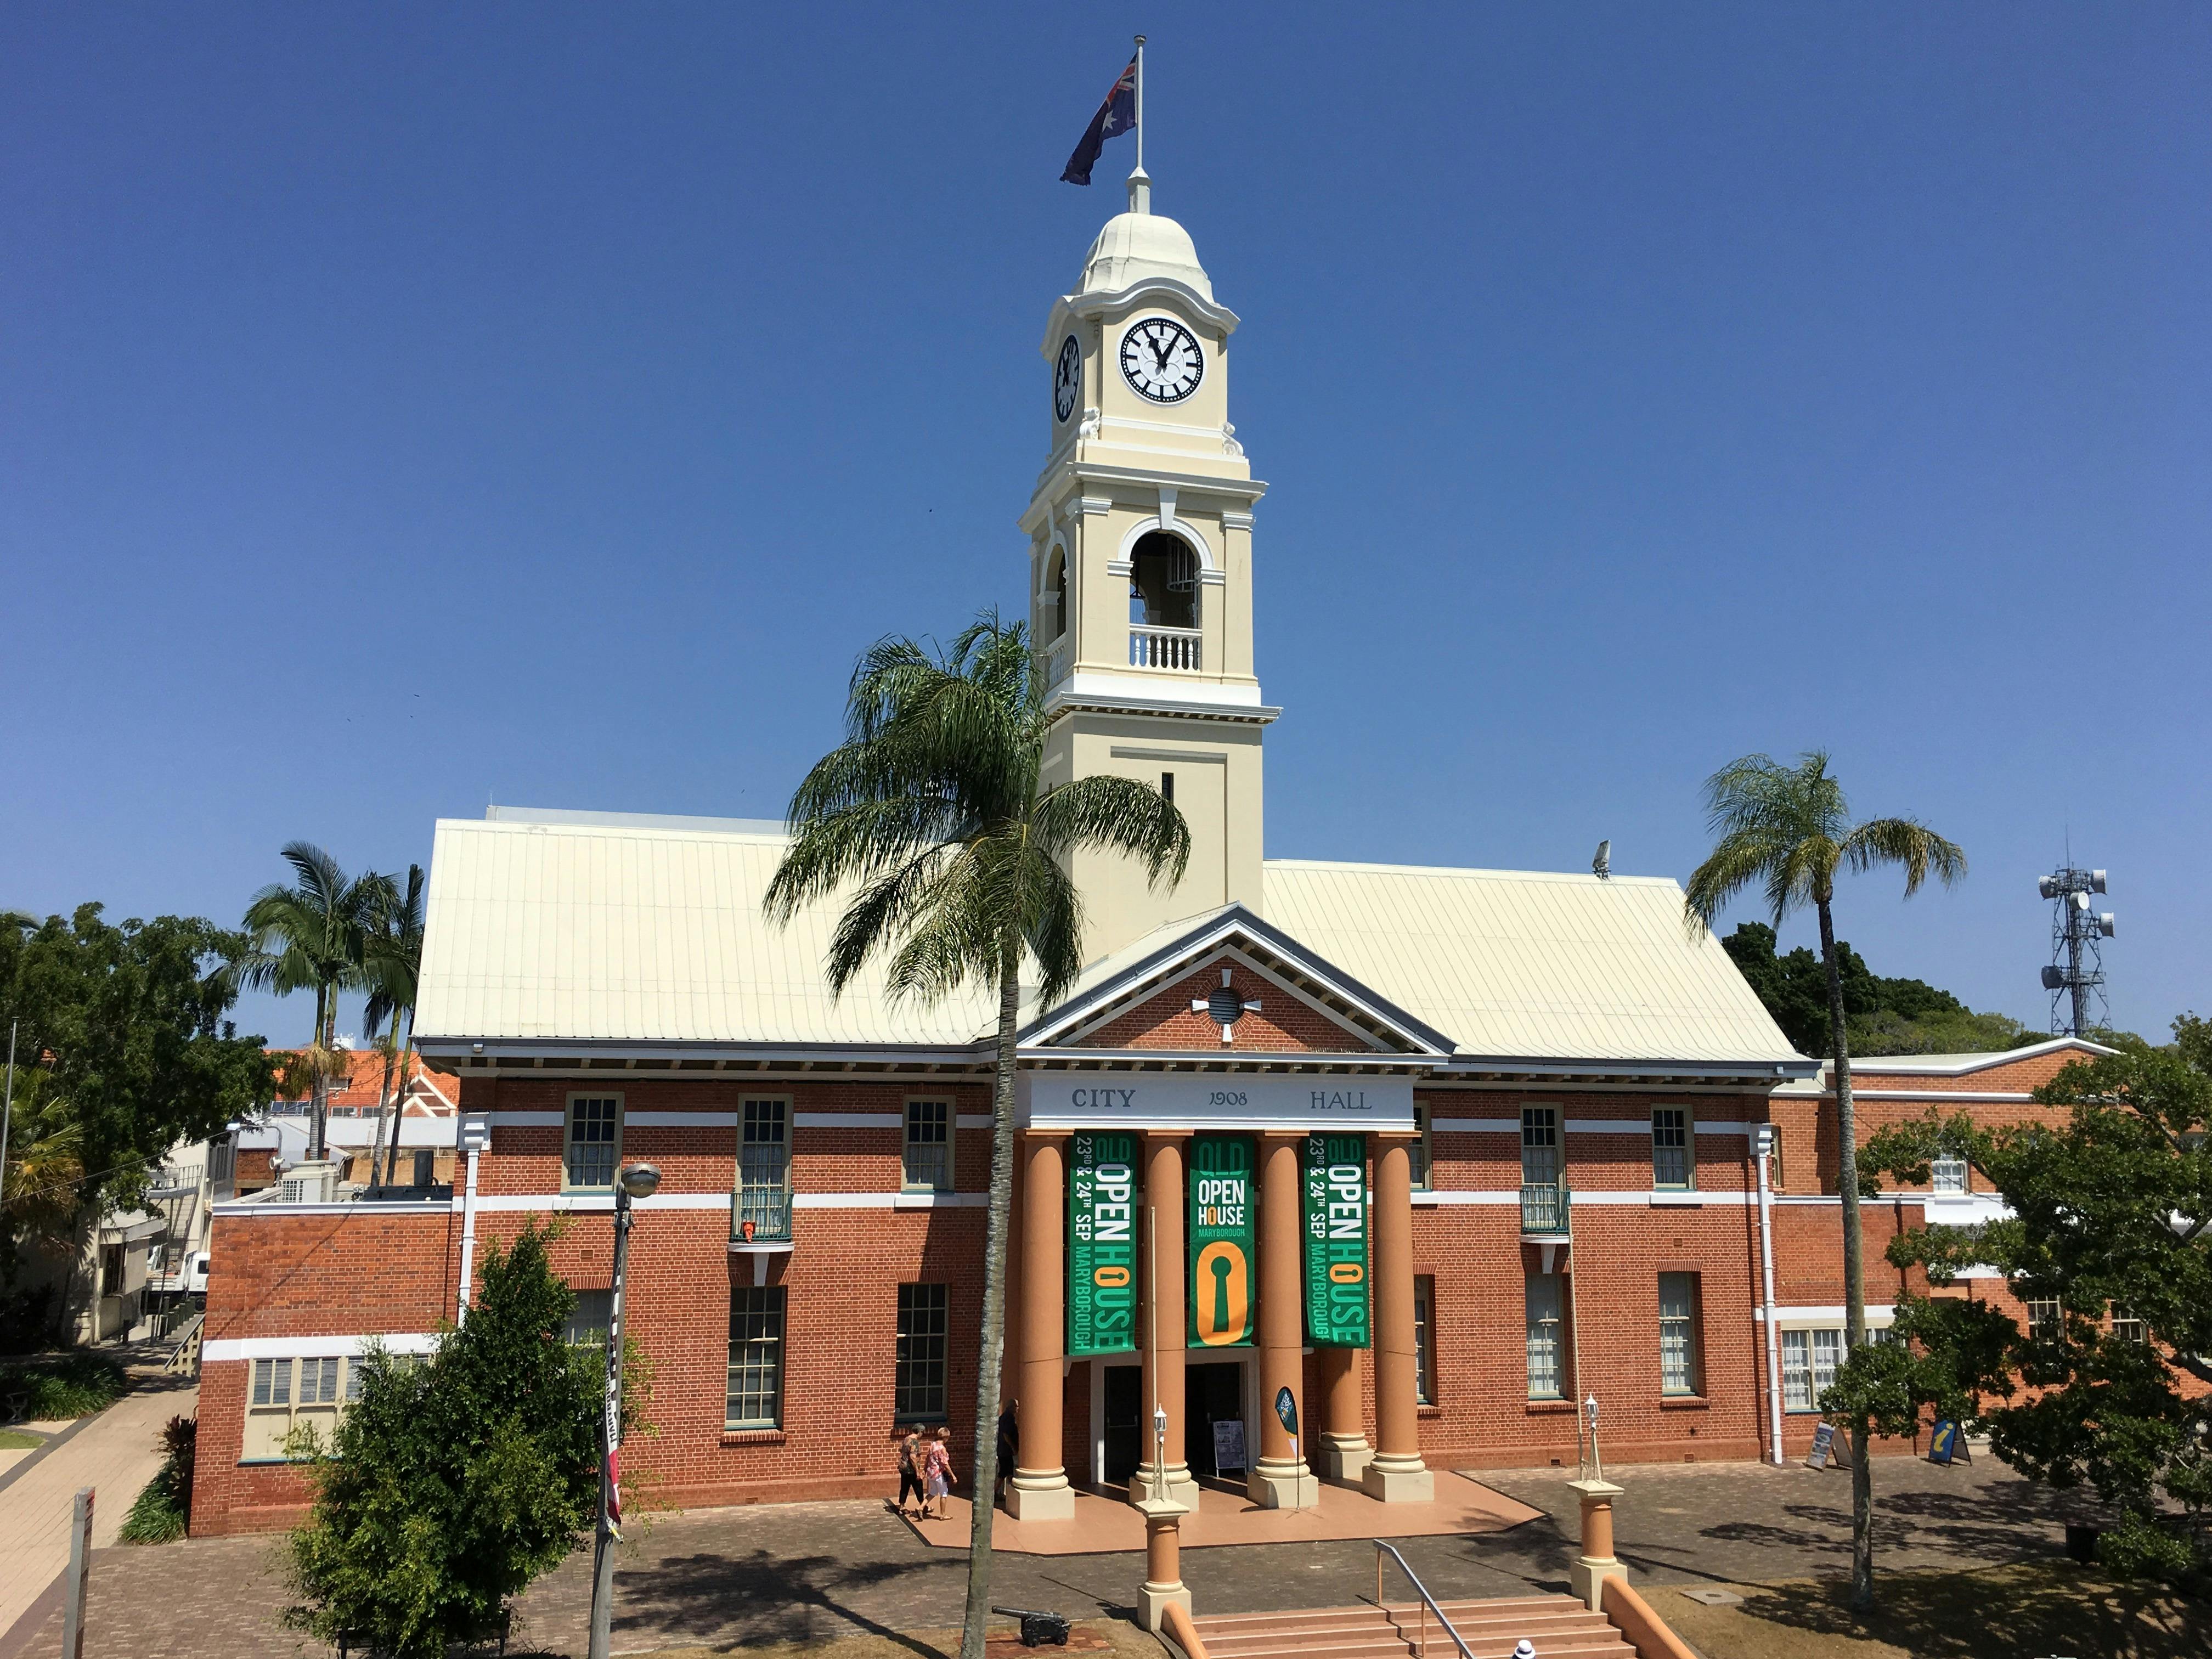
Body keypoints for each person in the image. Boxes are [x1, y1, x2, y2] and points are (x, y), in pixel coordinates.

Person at [919, 1425, 955, 1521]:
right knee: (944, 1493)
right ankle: (943, 1515)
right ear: (946, 1437)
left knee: (933, 1492)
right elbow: (945, 1464)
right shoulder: (942, 1448)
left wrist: (925, 1470)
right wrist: (953, 1475)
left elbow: (928, 1459)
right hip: (939, 1473)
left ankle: (921, 1507)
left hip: (931, 1473)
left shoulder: (933, 1445)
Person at [893, 1424, 924, 1518]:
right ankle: (922, 1506)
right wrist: (918, 1471)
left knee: (905, 1487)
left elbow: (900, 1449)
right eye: (922, 1432)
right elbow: (913, 1457)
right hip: (911, 1469)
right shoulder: (914, 1442)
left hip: (903, 1467)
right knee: (918, 1486)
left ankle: (902, 1507)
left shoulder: (906, 1439)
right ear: (919, 1432)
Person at [994, 1398, 1018, 1506]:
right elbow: (1006, 1435)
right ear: (1012, 1408)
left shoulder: (1003, 1417)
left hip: (1002, 1449)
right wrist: (1013, 1447)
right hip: (1005, 1451)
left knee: (1005, 1472)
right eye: (1017, 1407)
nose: (1018, 1409)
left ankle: (1001, 1493)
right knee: (1005, 1472)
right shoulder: (1008, 1418)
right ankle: (996, 1493)